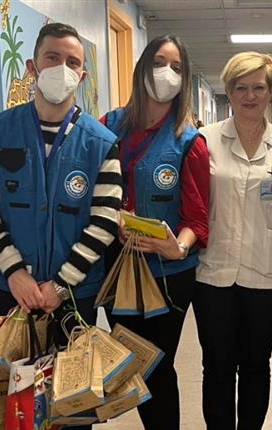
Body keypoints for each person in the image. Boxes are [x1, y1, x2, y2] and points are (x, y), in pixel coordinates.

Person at [0, 22, 121, 328]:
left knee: (73, 362)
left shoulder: (102, 143)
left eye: (72, 62)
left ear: (82, 76)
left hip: (75, 293)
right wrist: (14, 271)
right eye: (52, 57)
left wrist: (62, 284)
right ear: (32, 67)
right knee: (9, 362)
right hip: (11, 289)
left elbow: (105, 220)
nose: (62, 68)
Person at [99, 34, 210, 429]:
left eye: (177, 68)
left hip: (168, 275)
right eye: (159, 62)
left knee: (157, 368)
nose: (167, 73)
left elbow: (198, 219)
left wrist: (178, 247)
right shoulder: (108, 127)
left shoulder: (189, 141)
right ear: (141, 67)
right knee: (133, 363)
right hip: (117, 269)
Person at [193, 52, 272, 430]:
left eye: (258, 87)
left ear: (270, 91)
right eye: (241, 87)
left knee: (256, 363)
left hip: (268, 272)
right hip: (213, 272)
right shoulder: (205, 140)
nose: (250, 96)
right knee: (217, 365)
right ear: (229, 91)